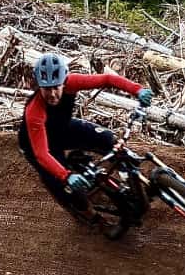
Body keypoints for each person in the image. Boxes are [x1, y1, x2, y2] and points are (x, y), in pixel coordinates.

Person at [18, 52, 153, 212]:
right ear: (39, 86)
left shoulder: (71, 83)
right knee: (69, 192)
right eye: (47, 89)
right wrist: (66, 176)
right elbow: (42, 154)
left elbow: (107, 79)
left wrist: (137, 90)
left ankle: (127, 178)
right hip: (37, 145)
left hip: (63, 129)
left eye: (56, 87)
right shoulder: (34, 111)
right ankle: (89, 215)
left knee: (108, 139)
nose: (52, 94)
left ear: (64, 82)